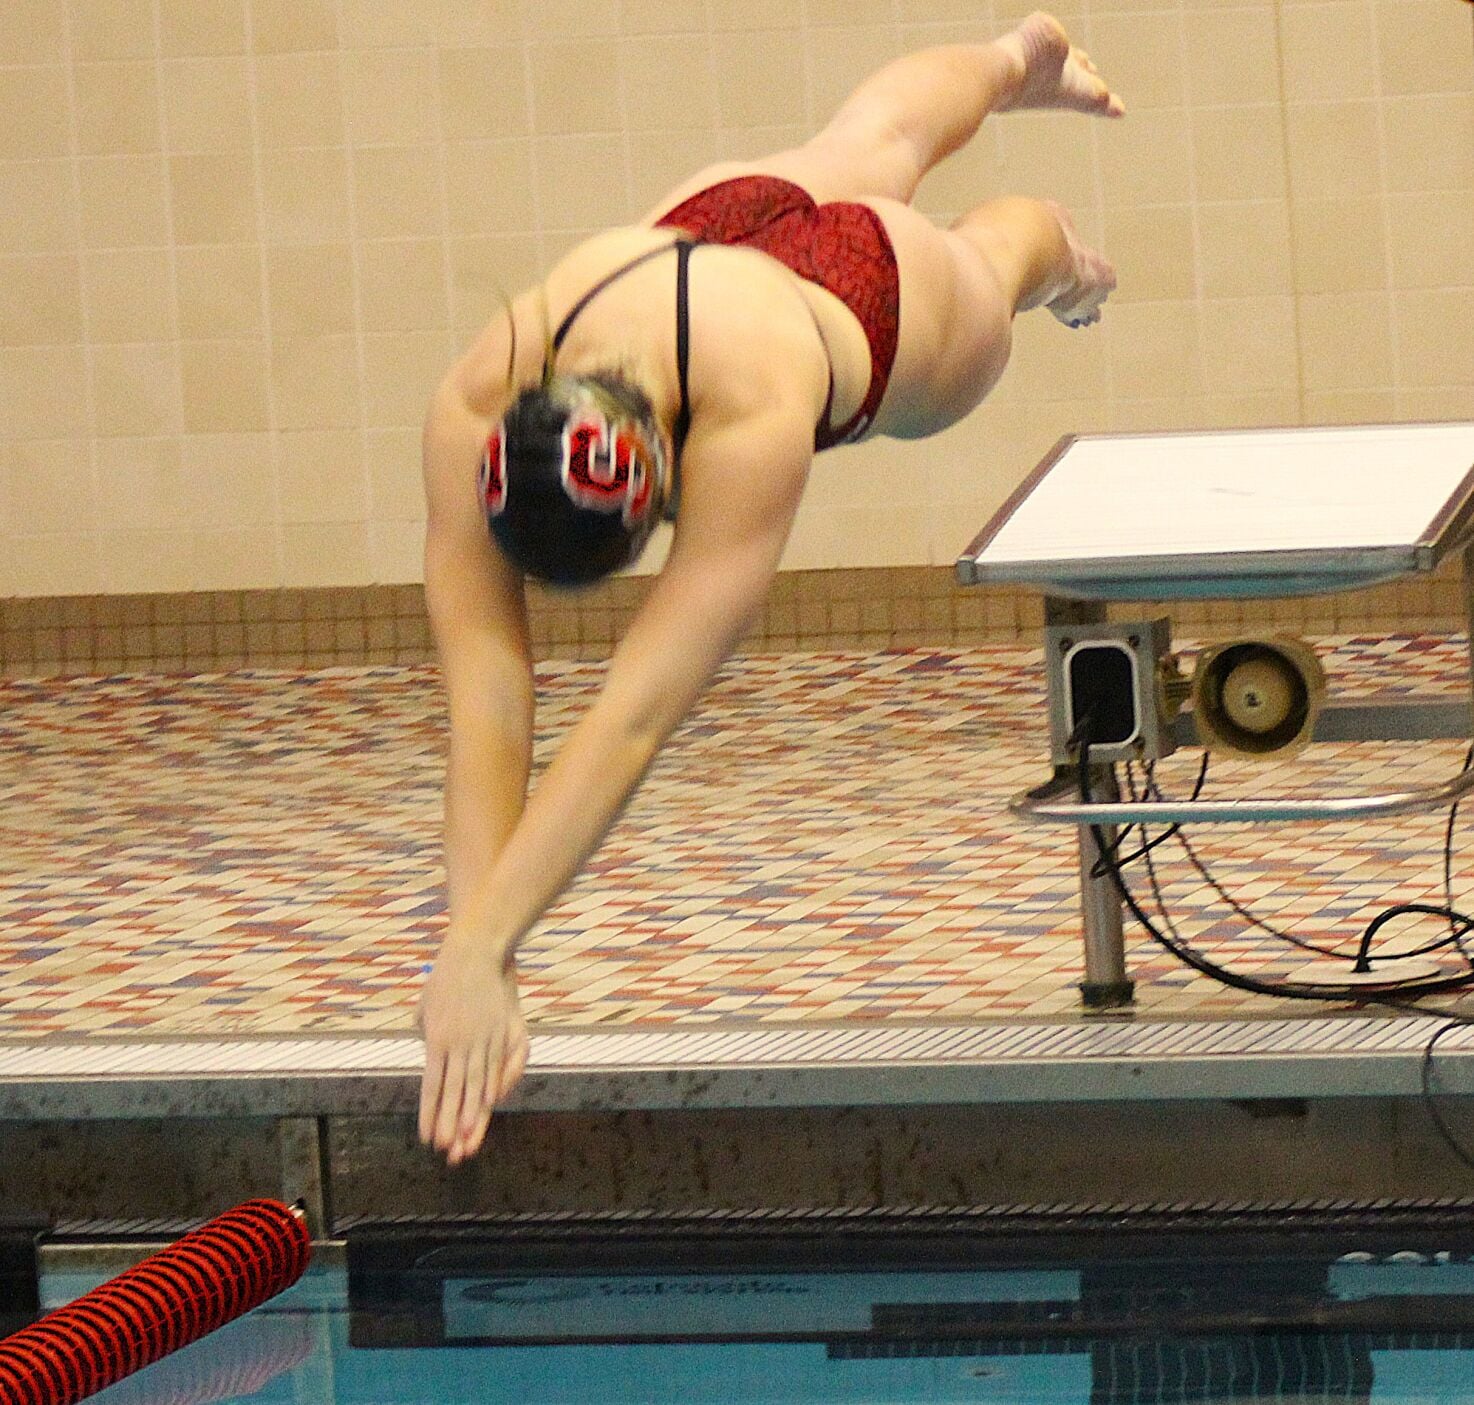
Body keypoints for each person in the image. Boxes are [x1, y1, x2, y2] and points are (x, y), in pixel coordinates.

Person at [417, 11, 1124, 1164]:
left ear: (663, 492)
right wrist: (470, 950)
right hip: (713, 230)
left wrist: (484, 944)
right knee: (876, 131)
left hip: (864, 300)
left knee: (1000, 261)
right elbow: (491, 685)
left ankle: (1071, 264)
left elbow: (632, 712)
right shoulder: (480, 394)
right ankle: (1012, 61)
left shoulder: (745, 423)